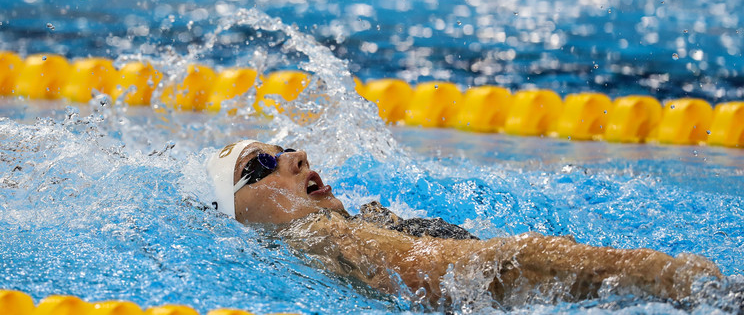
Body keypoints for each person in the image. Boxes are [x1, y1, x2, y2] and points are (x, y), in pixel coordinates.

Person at [206, 140, 722, 308]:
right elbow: (488, 268)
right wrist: (662, 276)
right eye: (260, 167)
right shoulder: (312, 235)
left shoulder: (366, 221)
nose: (293, 156)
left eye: (284, 147)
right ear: (239, 215)